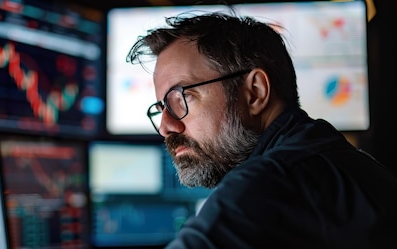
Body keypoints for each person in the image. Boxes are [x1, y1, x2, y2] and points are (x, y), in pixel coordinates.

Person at [126, 8, 397, 249]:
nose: (165, 127)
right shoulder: (334, 159)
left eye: (180, 98)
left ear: (255, 92)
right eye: (161, 108)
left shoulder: (269, 185)